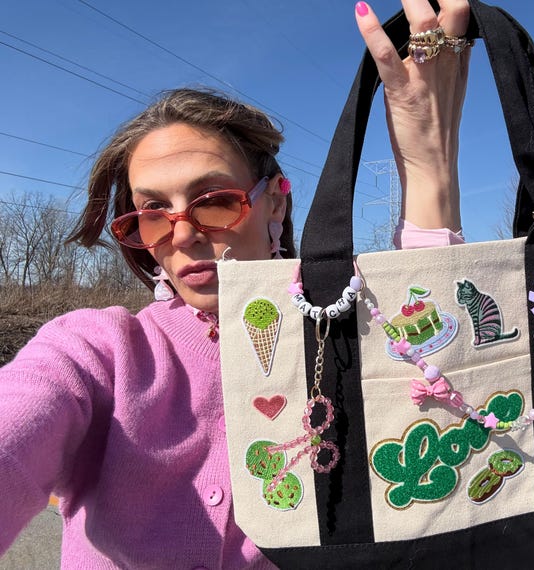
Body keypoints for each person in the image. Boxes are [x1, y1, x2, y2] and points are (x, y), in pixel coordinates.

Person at [0, 1, 470, 566]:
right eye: (152, 213)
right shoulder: (99, 351)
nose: (182, 235)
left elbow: (438, 347)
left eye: (215, 201)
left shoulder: (343, 335)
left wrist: (429, 167)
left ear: (274, 203)